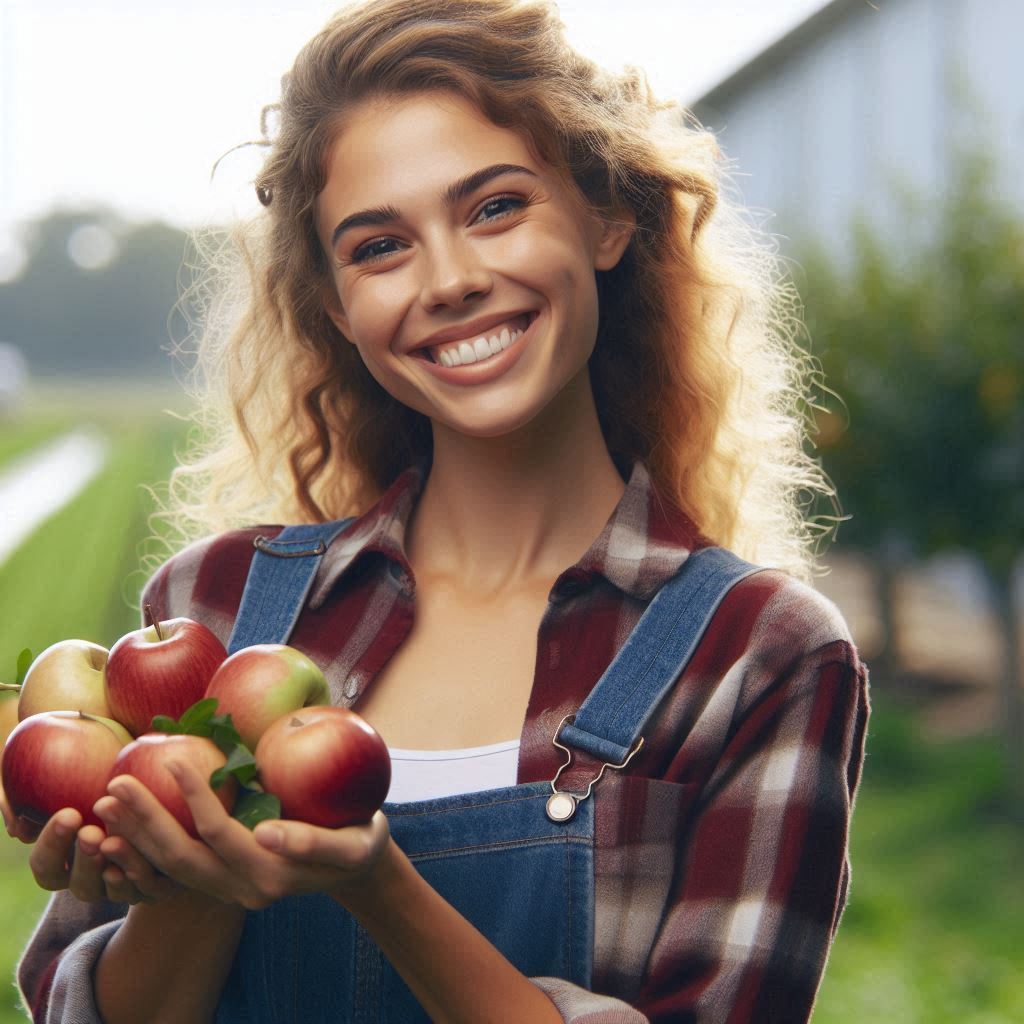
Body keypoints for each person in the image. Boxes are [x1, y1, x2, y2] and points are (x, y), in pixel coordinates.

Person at [7, 1, 869, 1021]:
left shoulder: (756, 653)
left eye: (495, 207)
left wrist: (378, 882)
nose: (452, 280)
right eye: (380, 246)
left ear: (605, 217)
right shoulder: (216, 606)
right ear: (336, 306)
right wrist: (196, 869)